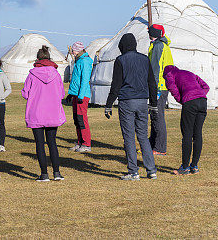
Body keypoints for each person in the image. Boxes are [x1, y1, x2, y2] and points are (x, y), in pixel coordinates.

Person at [104, 33, 158, 180]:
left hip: (127, 101)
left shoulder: (120, 60)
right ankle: (151, 170)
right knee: (143, 137)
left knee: (128, 137)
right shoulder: (144, 59)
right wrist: (153, 104)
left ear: (122, 46)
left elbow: (116, 85)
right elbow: (152, 83)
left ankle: (133, 171)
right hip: (142, 101)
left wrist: (108, 104)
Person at [22, 46, 66, 182]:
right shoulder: (56, 74)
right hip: (52, 113)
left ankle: (44, 174)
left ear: (38, 58)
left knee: (39, 144)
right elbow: (62, 94)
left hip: (36, 113)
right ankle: (57, 173)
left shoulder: (32, 74)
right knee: (52, 142)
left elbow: (25, 93)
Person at [163, 65, 209, 175]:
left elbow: (173, 89)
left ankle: (185, 167)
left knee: (187, 134)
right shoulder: (189, 73)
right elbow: (206, 86)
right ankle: (194, 166)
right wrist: (200, 95)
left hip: (190, 102)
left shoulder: (169, 75)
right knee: (197, 134)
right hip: (203, 101)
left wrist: (182, 100)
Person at [148, 24, 173, 156]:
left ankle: (160, 147)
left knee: (158, 116)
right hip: (162, 86)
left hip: (159, 87)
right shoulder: (160, 45)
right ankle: (152, 144)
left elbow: (155, 69)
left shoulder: (158, 46)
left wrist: (155, 88)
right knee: (154, 115)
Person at [66, 41, 93, 152]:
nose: (72, 52)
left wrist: (81, 96)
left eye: (73, 50)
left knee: (82, 119)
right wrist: (71, 94)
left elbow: (85, 80)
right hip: (76, 94)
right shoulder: (78, 61)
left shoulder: (85, 62)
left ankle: (86, 144)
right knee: (77, 119)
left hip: (82, 95)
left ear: (78, 50)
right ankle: (80, 142)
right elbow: (76, 80)